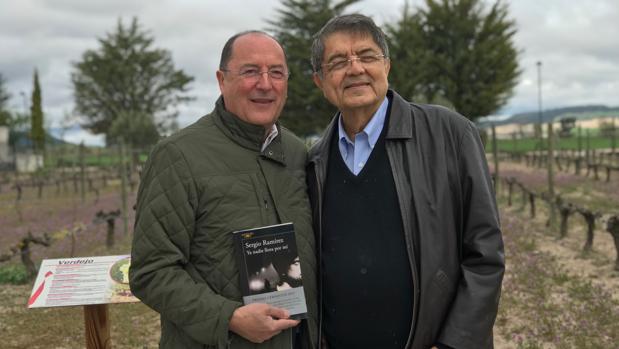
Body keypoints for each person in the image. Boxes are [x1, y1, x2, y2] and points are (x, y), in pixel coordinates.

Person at [306, 14, 505, 349]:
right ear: (320, 81)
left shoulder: (450, 134)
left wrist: (453, 344)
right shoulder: (315, 161)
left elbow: (485, 254)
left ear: (387, 66)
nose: (355, 69)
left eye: (367, 56)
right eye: (338, 61)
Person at [129, 30, 318, 348]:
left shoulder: (297, 153)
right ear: (221, 79)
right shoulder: (179, 156)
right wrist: (228, 317)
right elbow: (151, 271)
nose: (265, 83)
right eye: (250, 71)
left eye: (276, 72)